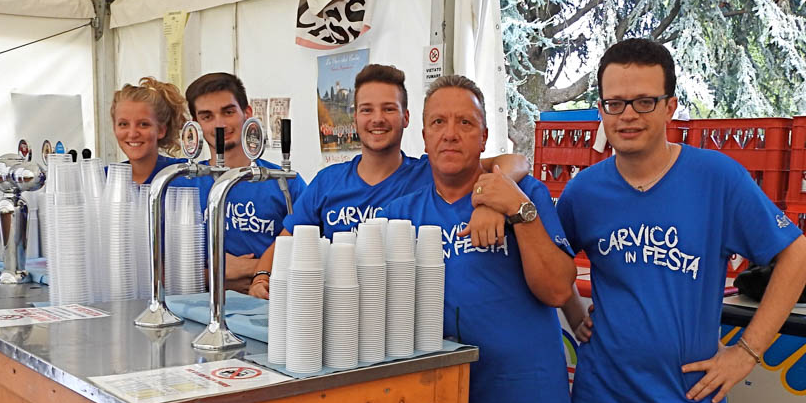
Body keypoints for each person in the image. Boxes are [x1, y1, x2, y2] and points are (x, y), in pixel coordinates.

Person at [556, 38, 806, 403]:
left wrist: (747, 352)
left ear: (670, 106)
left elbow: (797, 255)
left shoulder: (717, 178)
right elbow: (551, 262)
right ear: (601, 109)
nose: (628, 116)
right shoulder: (585, 191)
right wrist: (572, 310)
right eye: (615, 103)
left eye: (644, 101)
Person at [384, 75, 577, 403]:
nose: (450, 134)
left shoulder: (527, 194)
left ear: (485, 136)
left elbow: (558, 290)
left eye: (465, 123)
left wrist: (516, 211)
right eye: (438, 122)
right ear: (424, 136)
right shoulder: (399, 215)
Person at [247, 64, 531, 299]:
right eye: (367, 110)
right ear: (355, 118)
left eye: (389, 109)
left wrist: (489, 202)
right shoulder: (328, 182)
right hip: (338, 312)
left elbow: (515, 162)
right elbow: (285, 242)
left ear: (406, 118)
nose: (377, 119)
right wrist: (261, 277)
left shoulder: (432, 172)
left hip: (401, 315)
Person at [182, 72, 308, 293]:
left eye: (228, 112)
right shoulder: (184, 185)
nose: (220, 124)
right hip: (197, 307)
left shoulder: (285, 182)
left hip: (268, 304)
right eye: (207, 116)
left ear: (247, 113)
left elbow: (310, 251)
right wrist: (216, 275)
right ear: (195, 125)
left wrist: (255, 270)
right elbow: (162, 266)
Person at [111, 77, 189, 184]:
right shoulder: (103, 179)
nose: (132, 134)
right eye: (123, 124)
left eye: (143, 124)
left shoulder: (185, 175)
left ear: (161, 130)